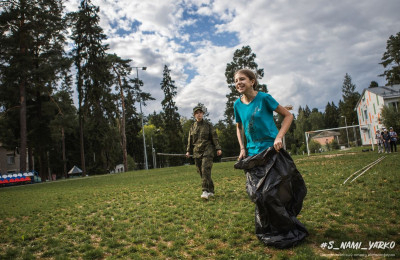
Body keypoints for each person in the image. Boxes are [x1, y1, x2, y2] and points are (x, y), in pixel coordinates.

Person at [233, 69, 308, 248]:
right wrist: (242, 147)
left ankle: (285, 227)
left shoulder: (265, 98)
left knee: (271, 193)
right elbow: (239, 126)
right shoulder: (237, 104)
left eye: (242, 79)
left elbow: (288, 116)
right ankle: (269, 228)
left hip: (271, 152)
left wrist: (279, 137)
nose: (238, 83)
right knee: (258, 195)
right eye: (235, 80)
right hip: (253, 156)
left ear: (252, 81)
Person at [186, 105, 222, 200]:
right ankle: (211, 190)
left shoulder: (208, 125)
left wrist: (218, 148)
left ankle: (204, 191)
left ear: (203, 114)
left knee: (205, 169)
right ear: (194, 115)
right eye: (197, 113)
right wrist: (188, 151)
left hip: (208, 149)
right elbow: (190, 140)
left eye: (200, 112)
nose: (199, 114)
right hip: (196, 151)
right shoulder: (192, 127)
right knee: (201, 172)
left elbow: (214, 137)